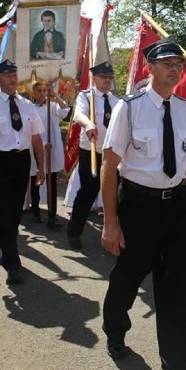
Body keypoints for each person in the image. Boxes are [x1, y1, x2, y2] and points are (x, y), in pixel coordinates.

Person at [100, 39, 186, 370]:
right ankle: (115, 330)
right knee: (127, 278)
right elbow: (110, 165)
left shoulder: (185, 108)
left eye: (179, 63)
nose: (175, 68)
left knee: (178, 288)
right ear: (150, 68)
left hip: (176, 206)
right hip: (138, 206)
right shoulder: (129, 109)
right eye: (166, 63)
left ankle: (181, 367)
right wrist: (111, 222)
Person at [0, 59, 45, 285]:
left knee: (15, 212)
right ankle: (13, 264)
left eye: (14, 74)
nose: (13, 78)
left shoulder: (27, 105)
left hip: (22, 161)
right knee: (2, 210)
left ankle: (3, 247)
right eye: (7, 75)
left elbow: (36, 138)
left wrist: (40, 167)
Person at [65, 62, 120, 249]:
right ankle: (74, 232)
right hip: (91, 152)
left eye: (110, 77)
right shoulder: (86, 96)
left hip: (112, 155)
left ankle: (116, 234)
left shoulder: (117, 102)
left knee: (115, 195)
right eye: (104, 77)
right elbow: (78, 114)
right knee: (87, 193)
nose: (107, 81)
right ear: (94, 78)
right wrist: (88, 124)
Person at [29, 79, 70, 229]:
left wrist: (55, 97)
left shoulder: (52, 106)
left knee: (51, 181)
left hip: (51, 149)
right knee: (36, 180)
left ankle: (52, 216)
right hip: (36, 147)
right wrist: (41, 144)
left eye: (44, 90)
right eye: (38, 90)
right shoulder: (29, 108)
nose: (42, 93)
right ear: (33, 92)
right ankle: (35, 212)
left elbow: (65, 111)